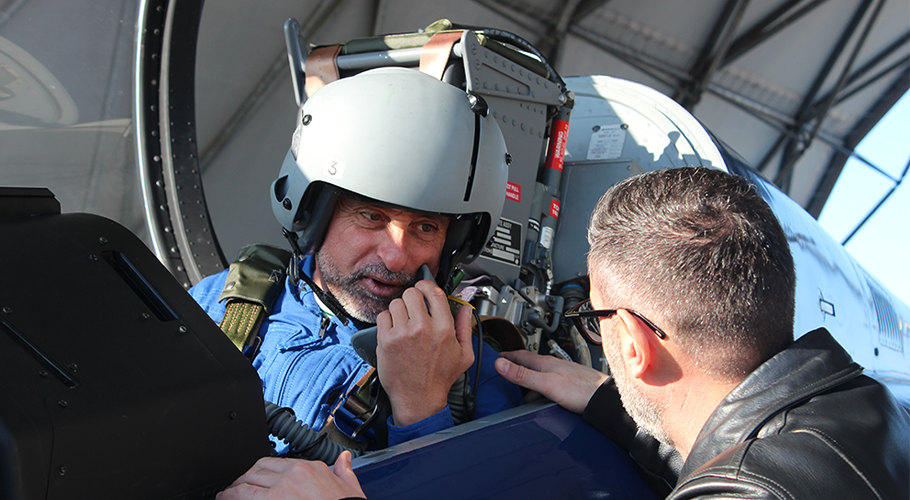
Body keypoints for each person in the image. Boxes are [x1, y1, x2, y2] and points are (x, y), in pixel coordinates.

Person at [220, 167, 910, 500]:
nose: (397, 254)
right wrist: (623, 408)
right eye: (369, 218)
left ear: (633, 346)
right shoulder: (871, 408)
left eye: (595, 320)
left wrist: (419, 422)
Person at [189, 67, 522, 456]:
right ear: (314, 213)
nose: (396, 256)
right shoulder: (222, 303)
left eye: (426, 227)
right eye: (371, 217)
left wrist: (422, 407)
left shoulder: (475, 373)